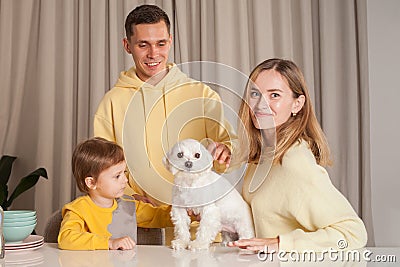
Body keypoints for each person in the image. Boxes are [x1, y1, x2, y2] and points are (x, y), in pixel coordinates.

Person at [94, 4, 235, 212]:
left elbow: (229, 146)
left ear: (170, 42)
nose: (154, 54)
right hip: (140, 225)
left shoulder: (202, 95)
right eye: (143, 45)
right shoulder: (112, 103)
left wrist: (227, 152)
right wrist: (131, 198)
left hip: (198, 223)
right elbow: (102, 166)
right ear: (127, 45)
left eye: (161, 44)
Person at [228, 58, 367, 252]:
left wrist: (281, 243)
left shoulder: (294, 160)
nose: (261, 104)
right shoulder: (264, 156)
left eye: (274, 95)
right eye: (254, 94)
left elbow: (353, 232)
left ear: (297, 104)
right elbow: (268, 218)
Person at [58, 137, 172, 250]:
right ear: (91, 182)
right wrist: (109, 243)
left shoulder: (130, 205)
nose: (125, 180)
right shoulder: (78, 209)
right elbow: (66, 238)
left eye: (124, 172)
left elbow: (159, 216)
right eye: (117, 176)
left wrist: (186, 213)